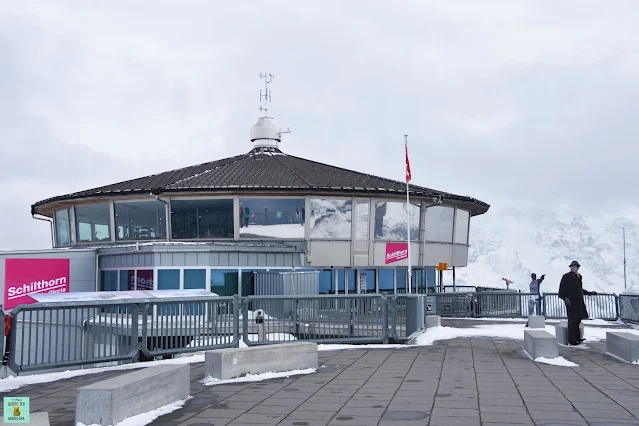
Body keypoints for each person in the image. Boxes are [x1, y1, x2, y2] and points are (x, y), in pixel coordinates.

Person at [559, 260, 597, 345]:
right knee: (572, 320)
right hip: (571, 302)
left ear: (578, 268)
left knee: (578, 320)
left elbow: (579, 289)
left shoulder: (579, 277)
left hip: (579, 301)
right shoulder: (566, 276)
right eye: (572, 267)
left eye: (575, 267)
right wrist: (565, 298)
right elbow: (562, 290)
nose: (573, 268)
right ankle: (571, 339)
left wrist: (589, 293)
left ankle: (577, 337)